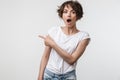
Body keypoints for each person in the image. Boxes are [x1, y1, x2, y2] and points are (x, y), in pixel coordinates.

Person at [38, 0, 90, 80]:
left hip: (68, 76)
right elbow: (45, 56)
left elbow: (71, 60)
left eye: (73, 12)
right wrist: (40, 76)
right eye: (65, 12)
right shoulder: (53, 31)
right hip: (49, 75)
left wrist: (53, 44)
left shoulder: (83, 36)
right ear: (62, 15)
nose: (68, 15)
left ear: (78, 16)